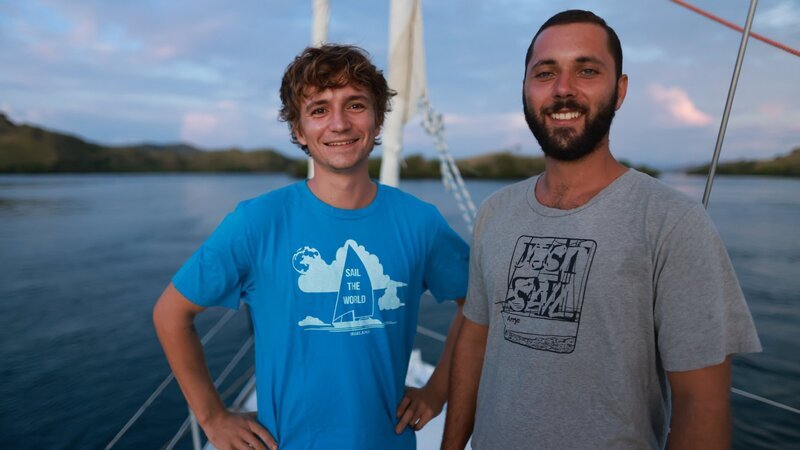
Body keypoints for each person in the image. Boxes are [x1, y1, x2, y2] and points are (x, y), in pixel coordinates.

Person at [442, 9, 761, 450]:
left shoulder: (672, 222)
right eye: (545, 73)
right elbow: (475, 339)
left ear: (620, 90)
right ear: (525, 89)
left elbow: (700, 407)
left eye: (587, 71)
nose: (563, 88)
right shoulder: (495, 212)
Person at [153, 44, 469, 450]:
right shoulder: (257, 222)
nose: (339, 124)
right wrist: (213, 417)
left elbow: (475, 304)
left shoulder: (420, 222)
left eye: (355, 105)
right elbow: (171, 314)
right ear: (299, 130)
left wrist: (438, 389)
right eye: (319, 109)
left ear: (377, 119)